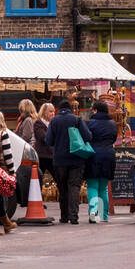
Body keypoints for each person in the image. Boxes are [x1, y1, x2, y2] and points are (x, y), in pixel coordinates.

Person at [46, 96, 92, 225]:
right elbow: (88, 136)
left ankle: (64, 216)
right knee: (74, 187)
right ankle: (74, 217)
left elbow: (48, 140)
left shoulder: (54, 121)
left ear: (59, 109)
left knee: (63, 188)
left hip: (59, 160)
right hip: (76, 159)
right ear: (71, 109)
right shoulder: (77, 120)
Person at [86, 99, 117, 223]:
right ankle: (104, 216)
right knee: (103, 187)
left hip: (93, 155)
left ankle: (93, 211)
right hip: (109, 155)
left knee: (92, 185)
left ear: (96, 110)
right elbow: (113, 139)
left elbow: (87, 137)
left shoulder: (90, 123)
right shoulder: (113, 124)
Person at [31, 101, 55, 198]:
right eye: (50, 112)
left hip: (52, 155)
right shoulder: (38, 123)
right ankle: (37, 199)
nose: (53, 114)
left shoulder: (53, 124)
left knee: (58, 177)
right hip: (42, 155)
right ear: (44, 112)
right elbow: (44, 137)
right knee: (39, 178)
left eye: (53, 111)